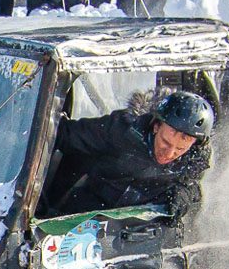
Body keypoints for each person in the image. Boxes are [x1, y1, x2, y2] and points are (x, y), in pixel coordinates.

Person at [49, 90, 214, 219]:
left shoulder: (196, 157)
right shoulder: (121, 130)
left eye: (180, 150)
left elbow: (192, 185)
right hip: (88, 214)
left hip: (139, 229)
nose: (169, 154)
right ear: (156, 126)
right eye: (165, 142)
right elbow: (64, 134)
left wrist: (184, 192)